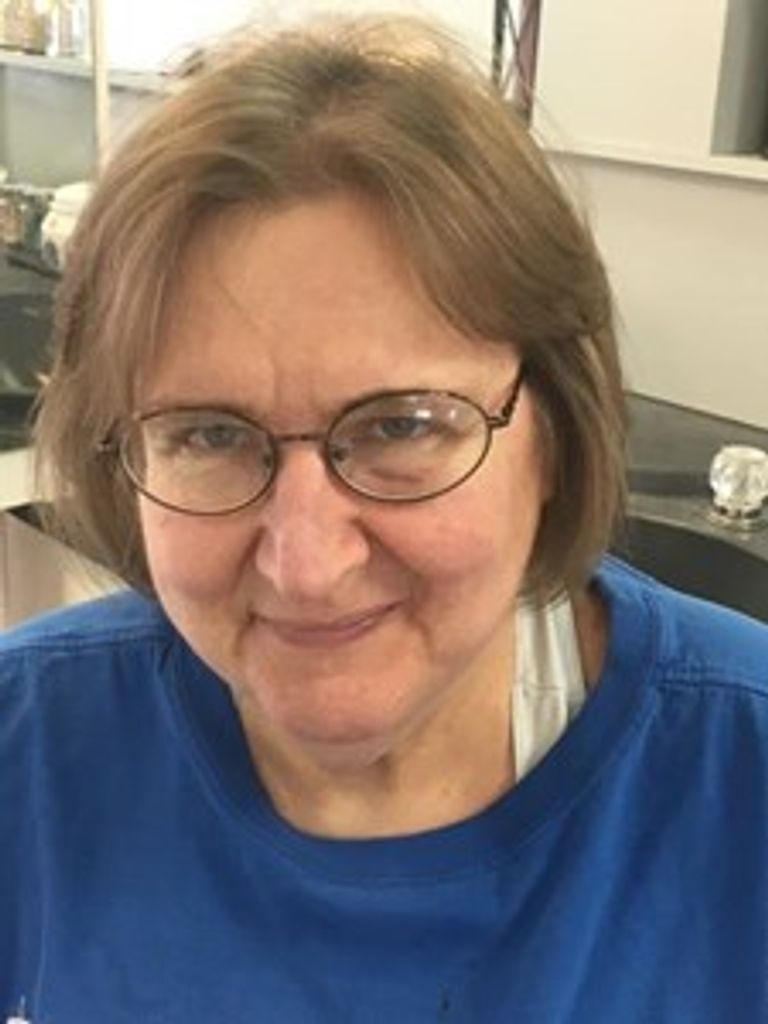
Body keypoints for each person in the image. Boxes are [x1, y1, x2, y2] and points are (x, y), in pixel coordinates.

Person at [2, 14, 767, 1023]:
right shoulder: (31, 746)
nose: (306, 564)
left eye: (403, 425)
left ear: (554, 436)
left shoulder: (738, 771)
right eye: (210, 434)